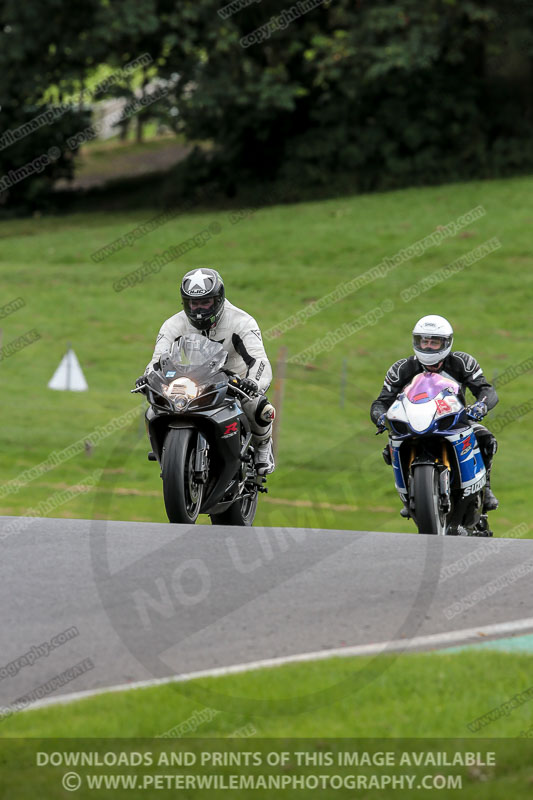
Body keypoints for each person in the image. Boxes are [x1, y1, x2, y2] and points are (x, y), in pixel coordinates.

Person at [135, 268, 275, 475]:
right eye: (193, 303)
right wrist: (148, 378)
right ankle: (167, 450)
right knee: (154, 407)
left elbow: (259, 360)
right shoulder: (173, 324)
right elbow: (157, 359)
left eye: (205, 302)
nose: (199, 309)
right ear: (185, 302)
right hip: (194, 379)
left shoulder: (242, 322)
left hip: (234, 382)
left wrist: (253, 383)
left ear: (218, 299)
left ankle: (263, 447)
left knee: (260, 408)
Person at [370, 314, 498, 513]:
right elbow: (381, 401)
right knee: (389, 449)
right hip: (415, 421)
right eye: (424, 341)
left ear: (446, 343)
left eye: (434, 342)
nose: (428, 347)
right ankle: (413, 492)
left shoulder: (462, 362)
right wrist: (380, 417)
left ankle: (487, 488)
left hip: (455, 420)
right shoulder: (401, 368)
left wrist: (480, 406)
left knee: (486, 438)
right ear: (416, 341)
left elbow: (486, 390)